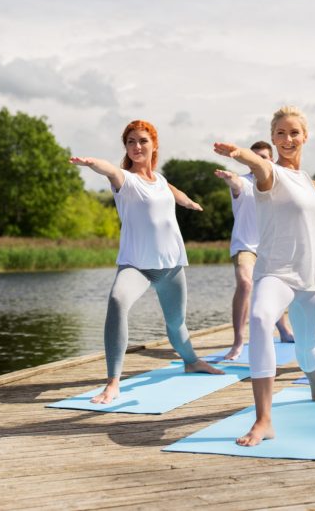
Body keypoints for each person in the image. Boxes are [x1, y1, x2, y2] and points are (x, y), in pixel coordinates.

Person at [214, 106, 315, 447]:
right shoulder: (269, 174)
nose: (287, 139)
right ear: (273, 138)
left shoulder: (305, 180)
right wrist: (241, 154)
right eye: (280, 133)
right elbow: (259, 164)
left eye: (294, 133)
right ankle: (263, 419)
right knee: (261, 319)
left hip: (309, 280)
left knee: (307, 347)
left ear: (305, 136)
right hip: (276, 274)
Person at [70, 119, 223, 405]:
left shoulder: (161, 180)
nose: (137, 146)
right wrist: (92, 163)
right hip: (137, 266)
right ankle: (113, 382)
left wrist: (187, 201)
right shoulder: (125, 180)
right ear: (126, 148)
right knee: (117, 301)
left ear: (154, 145)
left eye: (142, 141)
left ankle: (191, 362)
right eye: (130, 142)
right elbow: (110, 169)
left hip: (171, 265)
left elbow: (169, 190)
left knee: (176, 324)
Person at [214, 140, 293, 361]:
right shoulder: (245, 183)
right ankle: (238, 341)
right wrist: (230, 178)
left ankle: (284, 329)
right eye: (255, 156)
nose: (258, 160)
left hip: (271, 246)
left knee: (275, 288)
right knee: (246, 284)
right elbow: (236, 183)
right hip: (245, 246)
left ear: (271, 160)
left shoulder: (278, 185)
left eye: (264, 157)